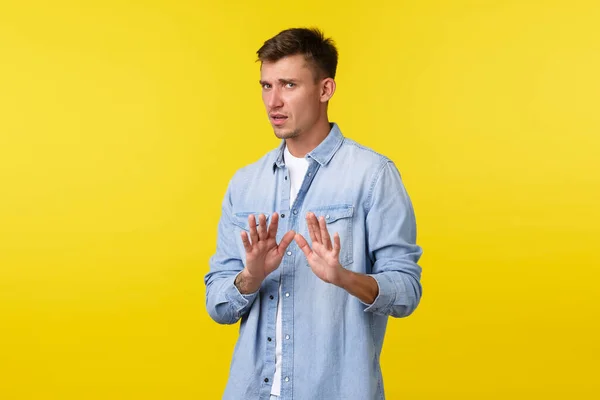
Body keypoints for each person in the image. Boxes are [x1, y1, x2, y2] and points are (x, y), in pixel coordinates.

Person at [204, 27, 423, 400]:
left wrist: (344, 277)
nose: (273, 101)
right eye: (266, 85)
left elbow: (407, 291)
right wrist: (250, 277)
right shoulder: (245, 184)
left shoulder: (372, 176)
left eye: (289, 85)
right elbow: (218, 304)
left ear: (325, 90)